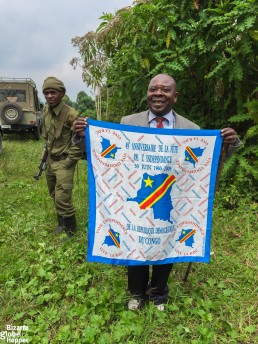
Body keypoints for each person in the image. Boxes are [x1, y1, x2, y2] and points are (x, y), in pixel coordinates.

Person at [73, 74, 241, 310]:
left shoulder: (191, 128)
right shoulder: (128, 122)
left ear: (175, 96)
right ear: (147, 93)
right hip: (139, 195)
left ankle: (158, 293)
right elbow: (106, 153)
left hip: (171, 197)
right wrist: (83, 136)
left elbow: (208, 161)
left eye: (165, 89)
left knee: (167, 240)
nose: (158, 93)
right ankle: (137, 293)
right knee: (136, 240)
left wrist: (228, 144)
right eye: (153, 89)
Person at [42, 76, 83, 239]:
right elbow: (48, 138)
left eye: (53, 92)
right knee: (54, 194)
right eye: (46, 93)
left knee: (63, 198)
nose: (49, 96)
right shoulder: (46, 111)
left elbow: (79, 139)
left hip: (64, 162)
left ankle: (71, 232)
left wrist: (69, 161)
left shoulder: (71, 114)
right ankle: (61, 225)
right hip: (51, 161)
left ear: (62, 93)